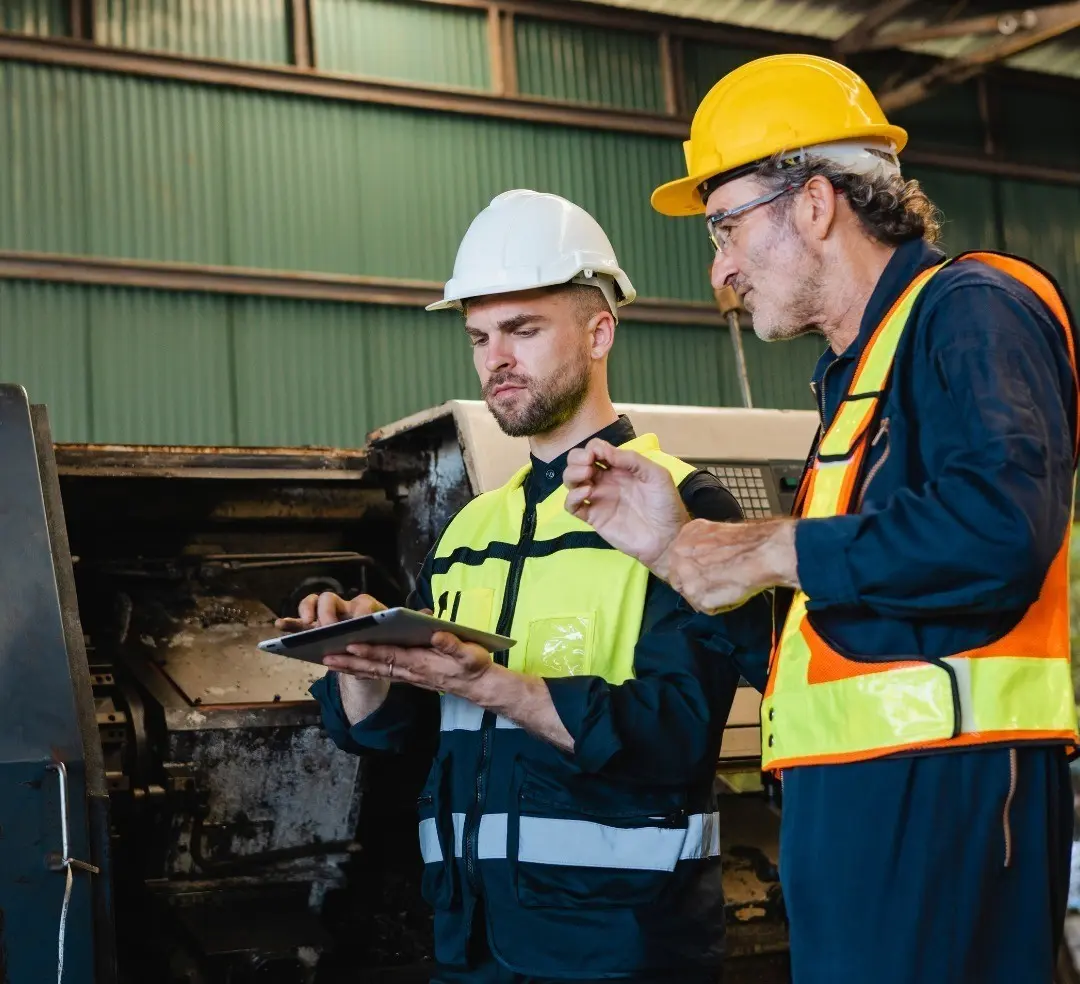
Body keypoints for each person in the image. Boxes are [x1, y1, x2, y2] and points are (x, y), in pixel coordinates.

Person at [562, 54, 1079, 984]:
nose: (719, 270)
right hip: (864, 807)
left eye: (725, 225)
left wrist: (763, 546)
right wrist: (674, 543)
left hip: (945, 802)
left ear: (814, 203)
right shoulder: (856, 378)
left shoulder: (972, 308)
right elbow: (855, 614)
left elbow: (999, 528)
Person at [279, 190, 768, 983]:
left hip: (619, 948)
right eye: (479, 336)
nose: (495, 358)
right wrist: (364, 668)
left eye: (523, 329)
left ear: (599, 330)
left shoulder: (681, 507)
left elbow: (675, 736)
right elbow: (399, 741)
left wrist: (501, 686)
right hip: (471, 940)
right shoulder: (474, 527)